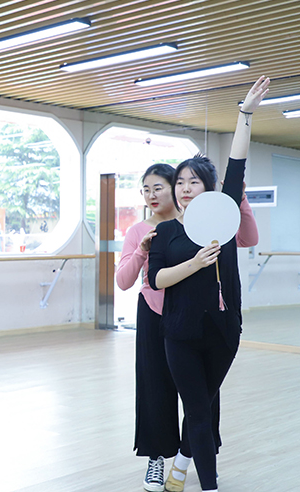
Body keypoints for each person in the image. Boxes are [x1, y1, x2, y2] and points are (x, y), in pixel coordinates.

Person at [148, 76, 269, 492]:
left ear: (209, 188)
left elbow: (237, 164)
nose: (184, 189)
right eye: (180, 182)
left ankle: (182, 463)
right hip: (178, 334)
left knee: (203, 405)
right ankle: (209, 486)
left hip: (223, 331)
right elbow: (157, 279)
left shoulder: (225, 220)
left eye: (193, 182)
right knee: (198, 411)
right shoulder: (166, 232)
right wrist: (195, 263)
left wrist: (245, 114)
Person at [117, 163, 257, 491]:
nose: (152, 195)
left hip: (194, 316)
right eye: (146, 189)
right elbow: (126, 280)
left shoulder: (205, 223)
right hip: (155, 314)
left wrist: (239, 198)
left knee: (202, 397)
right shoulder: (143, 231)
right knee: (155, 389)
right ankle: (156, 458)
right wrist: (141, 251)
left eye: (159, 187)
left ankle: (191, 459)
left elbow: (246, 239)